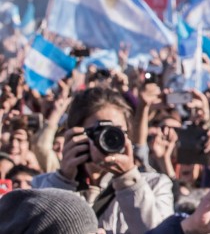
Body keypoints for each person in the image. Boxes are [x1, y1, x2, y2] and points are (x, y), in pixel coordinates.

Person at [32, 85, 175, 233]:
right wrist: (63, 181)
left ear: (127, 135)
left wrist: (128, 180)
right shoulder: (42, 186)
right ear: (75, 134)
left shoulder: (155, 185)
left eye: (116, 132)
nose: (106, 139)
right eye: (98, 132)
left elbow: (158, 231)